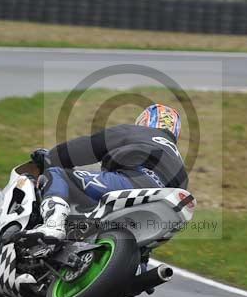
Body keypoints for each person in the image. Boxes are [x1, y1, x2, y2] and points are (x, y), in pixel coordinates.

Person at [28, 103, 188, 241]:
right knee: (143, 249)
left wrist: (52, 157)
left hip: (129, 182)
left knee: (58, 174)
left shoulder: (136, 132)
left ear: (145, 121)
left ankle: (53, 224)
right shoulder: (179, 161)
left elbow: (88, 147)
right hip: (163, 205)